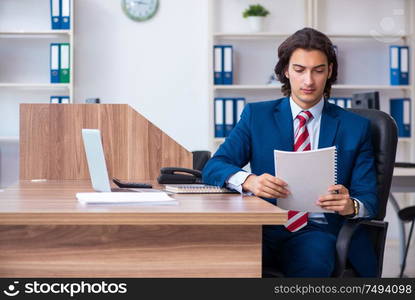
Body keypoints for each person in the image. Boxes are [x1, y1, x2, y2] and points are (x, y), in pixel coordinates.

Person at [202, 27, 378, 277]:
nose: (309, 81)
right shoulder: (256, 116)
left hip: (318, 230)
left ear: (329, 71)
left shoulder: (355, 127)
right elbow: (214, 166)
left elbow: (369, 199)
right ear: (285, 71)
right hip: (262, 226)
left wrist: (351, 205)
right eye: (299, 70)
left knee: (313, 261)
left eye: (318, 70)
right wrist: (250, 181)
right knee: (220, 259)